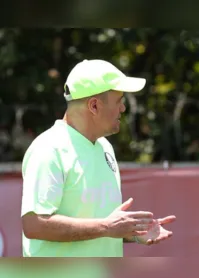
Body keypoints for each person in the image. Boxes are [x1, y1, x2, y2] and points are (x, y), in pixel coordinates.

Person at [21, 59, 176, 257]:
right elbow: (35, 225)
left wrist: (132, 232)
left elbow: (98, 227)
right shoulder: (49, 149)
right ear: (94, 106)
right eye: (119, 101)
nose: (123, 109)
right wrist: (107, 227)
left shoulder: (104, 147)